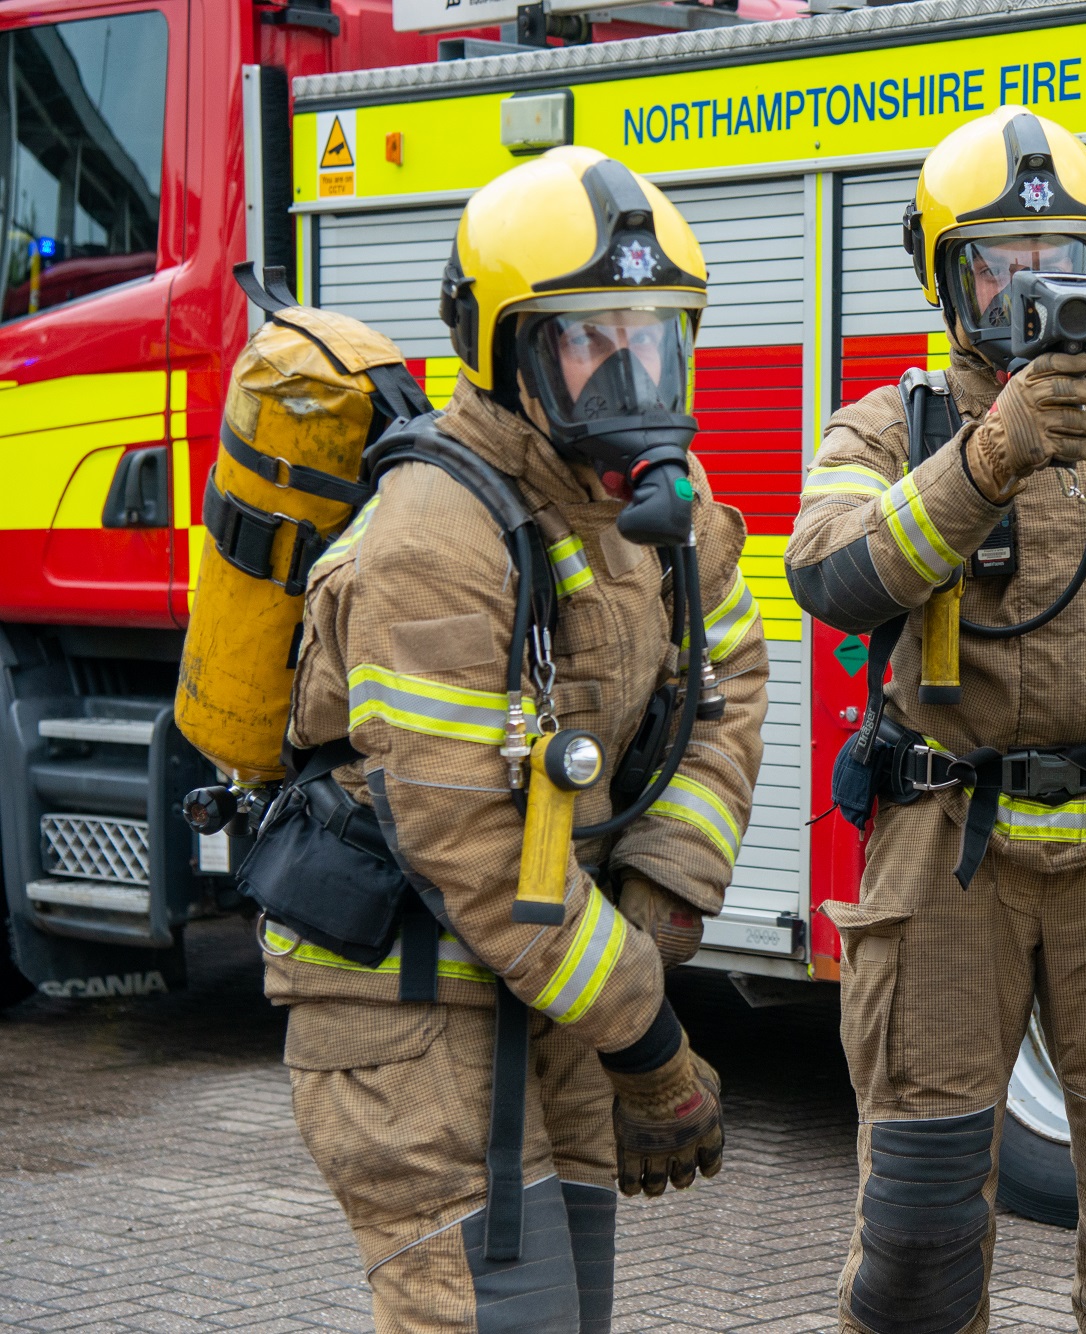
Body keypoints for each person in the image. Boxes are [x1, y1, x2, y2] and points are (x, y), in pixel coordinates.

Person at [264, 146, 768, 1333]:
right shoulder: (433, 534)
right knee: (502, 1317)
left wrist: (658, 895)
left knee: (561, 1313)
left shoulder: (651, 509)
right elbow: (472, 844)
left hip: (550, 995)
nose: (632, 368)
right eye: (588, 337)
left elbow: (728, 679)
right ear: (502, 349)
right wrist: (649, 1042)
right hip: (409, 1015)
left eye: (655, 334)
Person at [786, 105, 1086, 1334]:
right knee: (918, 1242)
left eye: (1061, 258)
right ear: (945, 277)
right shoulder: (888, 430)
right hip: (948, 862)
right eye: (999, 260)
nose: (1032, 290)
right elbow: (832, 575)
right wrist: (983, 460)